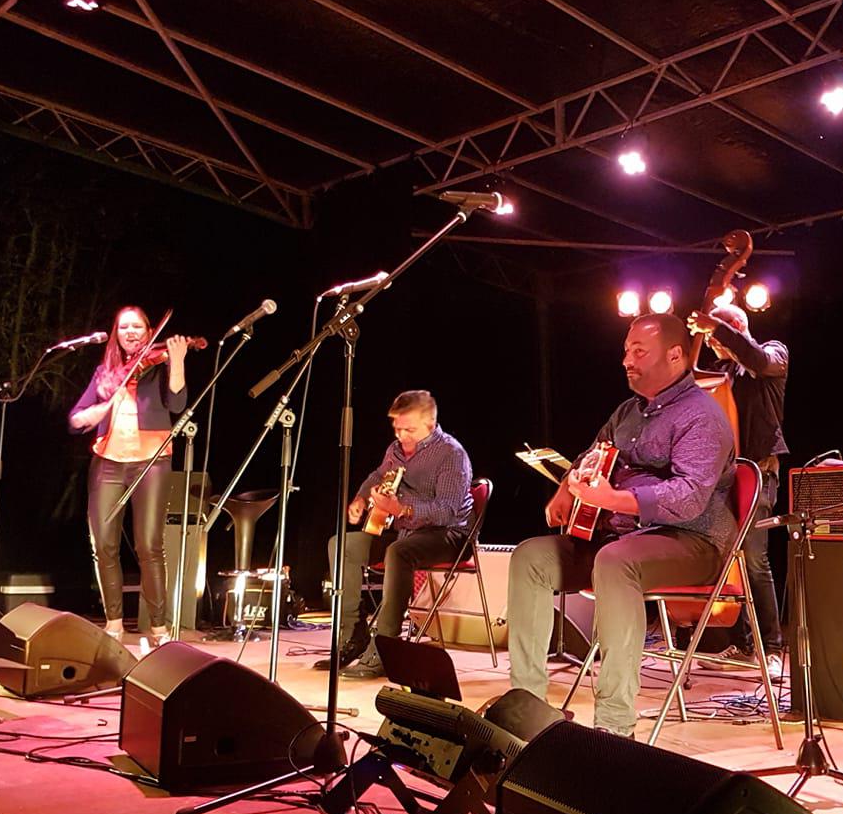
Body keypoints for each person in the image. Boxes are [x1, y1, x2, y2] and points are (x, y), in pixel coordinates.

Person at [507, 314, 736, 736]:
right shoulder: (628, 411)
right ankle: (526, 703)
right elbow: (594, 452)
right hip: (623, 538)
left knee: (615, 562)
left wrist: (614, 500)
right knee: (531, 557)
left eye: (638, 352)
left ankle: (614, 725)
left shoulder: (702, 415)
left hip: (693, 541)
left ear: (674, 355)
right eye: (626, 350)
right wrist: (565, 486)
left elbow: (688, 496)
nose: (625, 360)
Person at [320, 390, 474, 679]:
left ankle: (386, 646)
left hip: (447, 536)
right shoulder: (396, 449)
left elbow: (448, 512)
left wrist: (402, 509)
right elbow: (377, 476)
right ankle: (353, 634)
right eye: (397, 428)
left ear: (430, 423)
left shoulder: (452, 454)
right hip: (405, 531)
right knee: (342, 545)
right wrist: (360, 499)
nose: (402, 435)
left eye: (409, 429)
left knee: (398, 553)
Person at [69, 306, 189, 644]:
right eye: (124, 327)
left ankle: (159, 630)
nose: (131, 332)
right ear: (116, 333)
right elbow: (76, 419)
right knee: (103, 545)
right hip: (107, 461)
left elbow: (177, 404)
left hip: (150, 461)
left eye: (138, 326)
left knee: (149, 545)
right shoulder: (105, 374)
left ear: (149, 331)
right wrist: (99, 409)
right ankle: (114, 624)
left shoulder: (158, 366)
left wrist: (177, 359)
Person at [685, 302, 789, 672]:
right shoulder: (721, 373)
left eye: (717, 339)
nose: (713, 347)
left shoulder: (773, 354)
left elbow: (756, 359)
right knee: (730, 561)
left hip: (759, 472)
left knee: (756, 561)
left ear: (735, 328)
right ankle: (744, 644)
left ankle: (773, 648)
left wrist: (714, 325)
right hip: (725, 478)